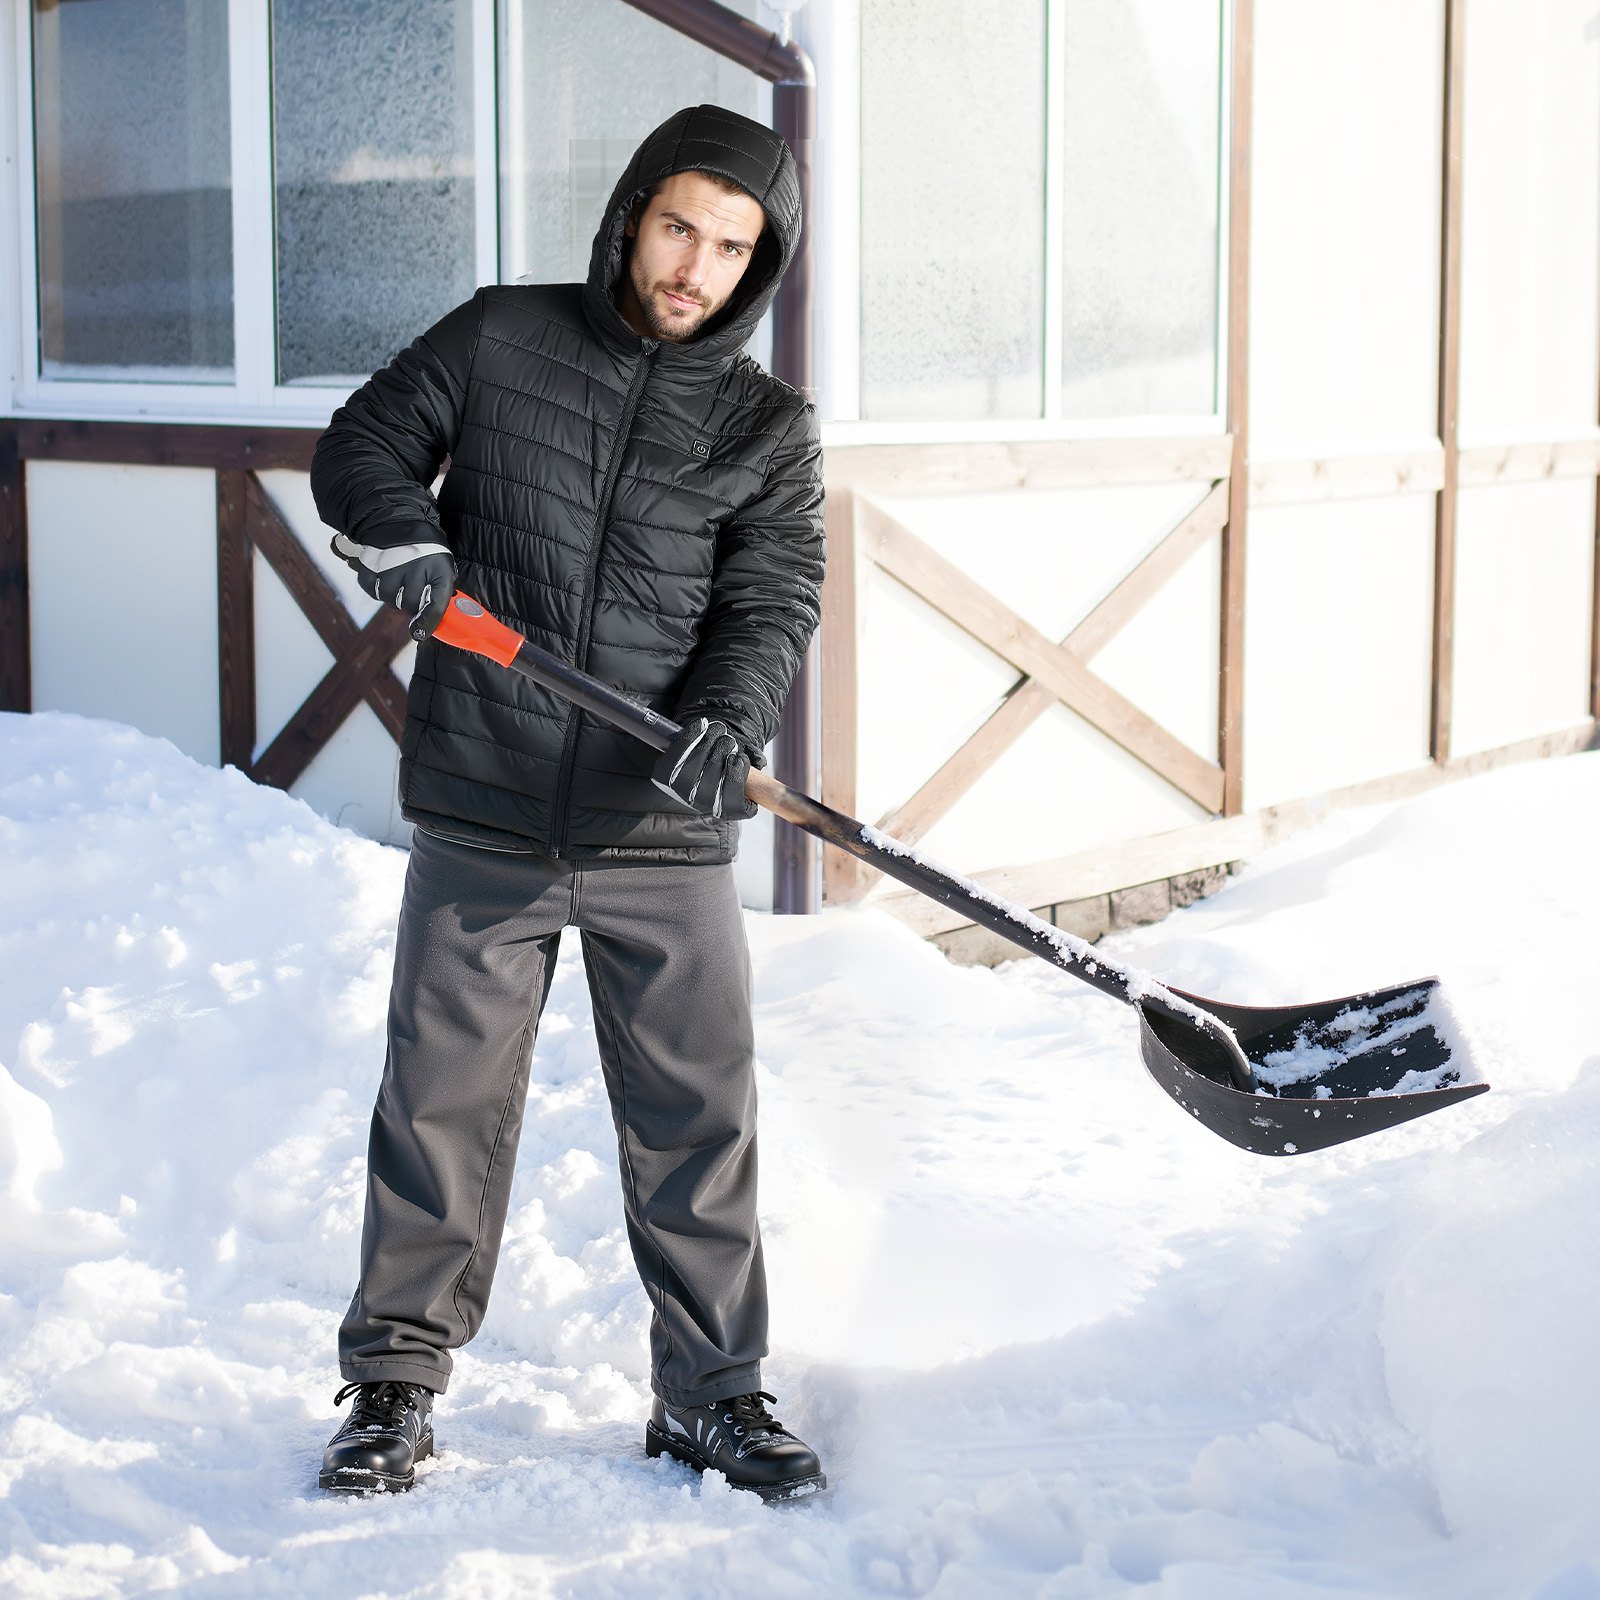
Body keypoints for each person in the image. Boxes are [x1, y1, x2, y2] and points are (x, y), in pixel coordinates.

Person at [307, 103, 826, 1502]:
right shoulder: (502, 336)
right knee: (439, 1107)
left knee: (699, 1120)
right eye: (679, 227)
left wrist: (726, 721)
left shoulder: (769, 428)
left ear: (760, 265)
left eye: (731, 247)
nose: (696, 267)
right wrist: (405, 531)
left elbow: (772, 600)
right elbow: (364, 444)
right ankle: (393, 1383)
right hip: (484, 798)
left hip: (659, 823)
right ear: (632, 214)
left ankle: (712, 1394)